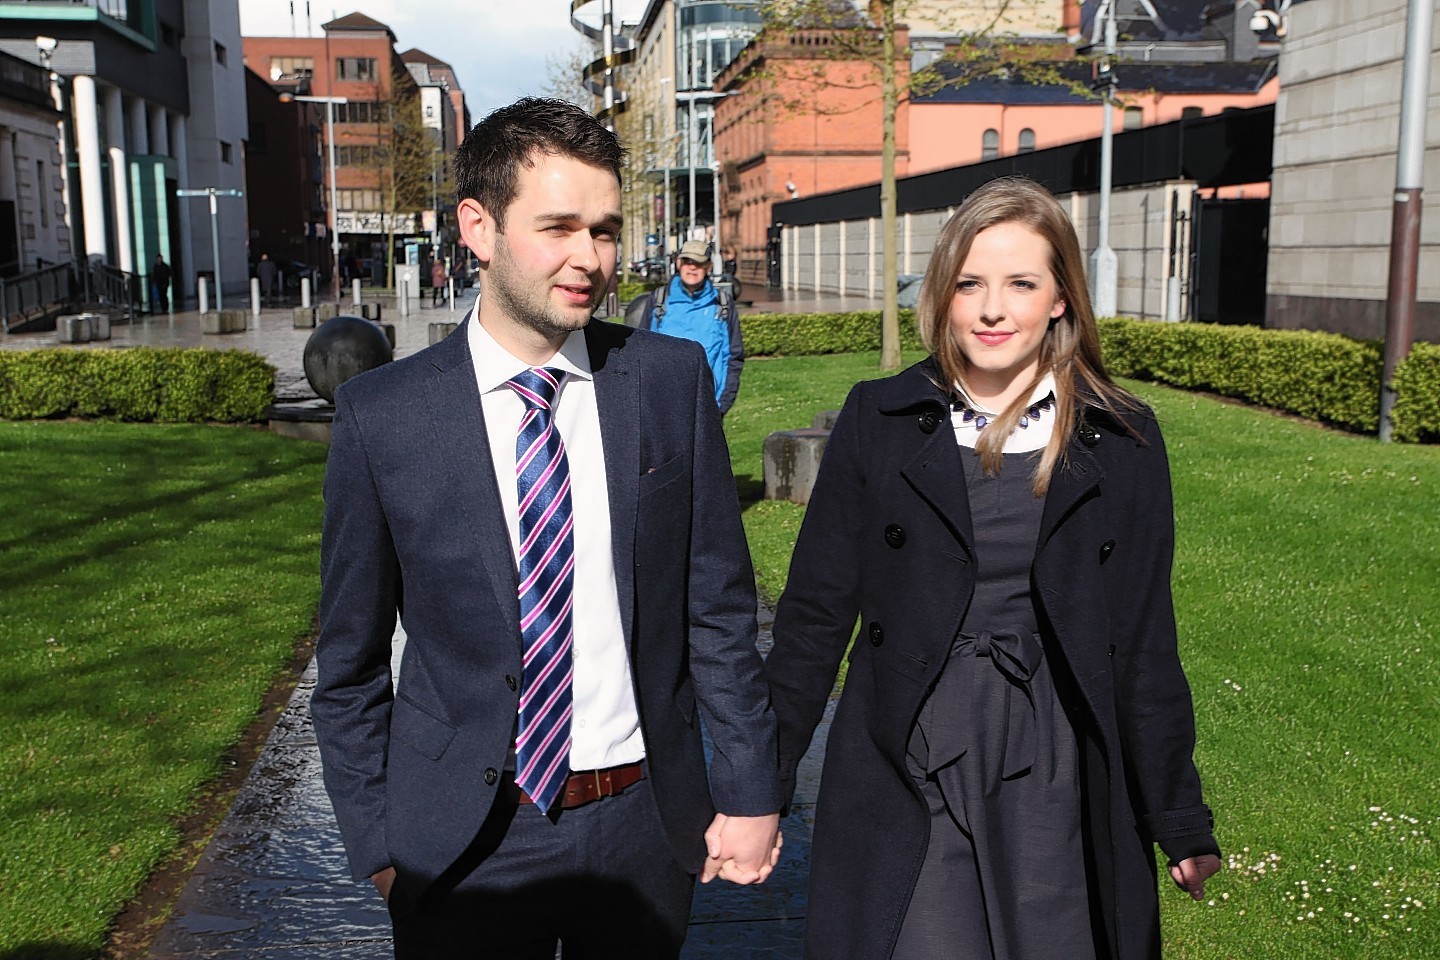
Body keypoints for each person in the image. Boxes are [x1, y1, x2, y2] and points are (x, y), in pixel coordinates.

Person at [312, 96, 782, 960]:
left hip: (643, 827)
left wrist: (752, 791)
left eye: (604, 230)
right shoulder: (384, 417)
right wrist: (379, 845)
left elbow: (716, 607)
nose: (590, 259)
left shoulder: (667, 383)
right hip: (463, 842)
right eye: (558, 226)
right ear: (478, 228)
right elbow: (347, 666)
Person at [764, 176, 1221, 960]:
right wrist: (758, 785)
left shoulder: (1124, 438)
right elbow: (812, 617)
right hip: (911, 748)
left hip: (1056, 757)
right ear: (941, 295)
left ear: (1061, 299)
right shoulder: (881, 418)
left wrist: (1176, 815)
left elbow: (1143, 640)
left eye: (1020, 283)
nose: (991, 308)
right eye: (969, 283)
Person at [630, 239, 743, 414]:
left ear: (708, 267)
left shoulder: (723, 303)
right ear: (679, 263)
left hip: (708, 405)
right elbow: (642, 352)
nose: (692, 267)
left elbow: (733, 356)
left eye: (699, 263)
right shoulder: (659, 299)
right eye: (687, 261)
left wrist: (721, 404)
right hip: (662, 405)